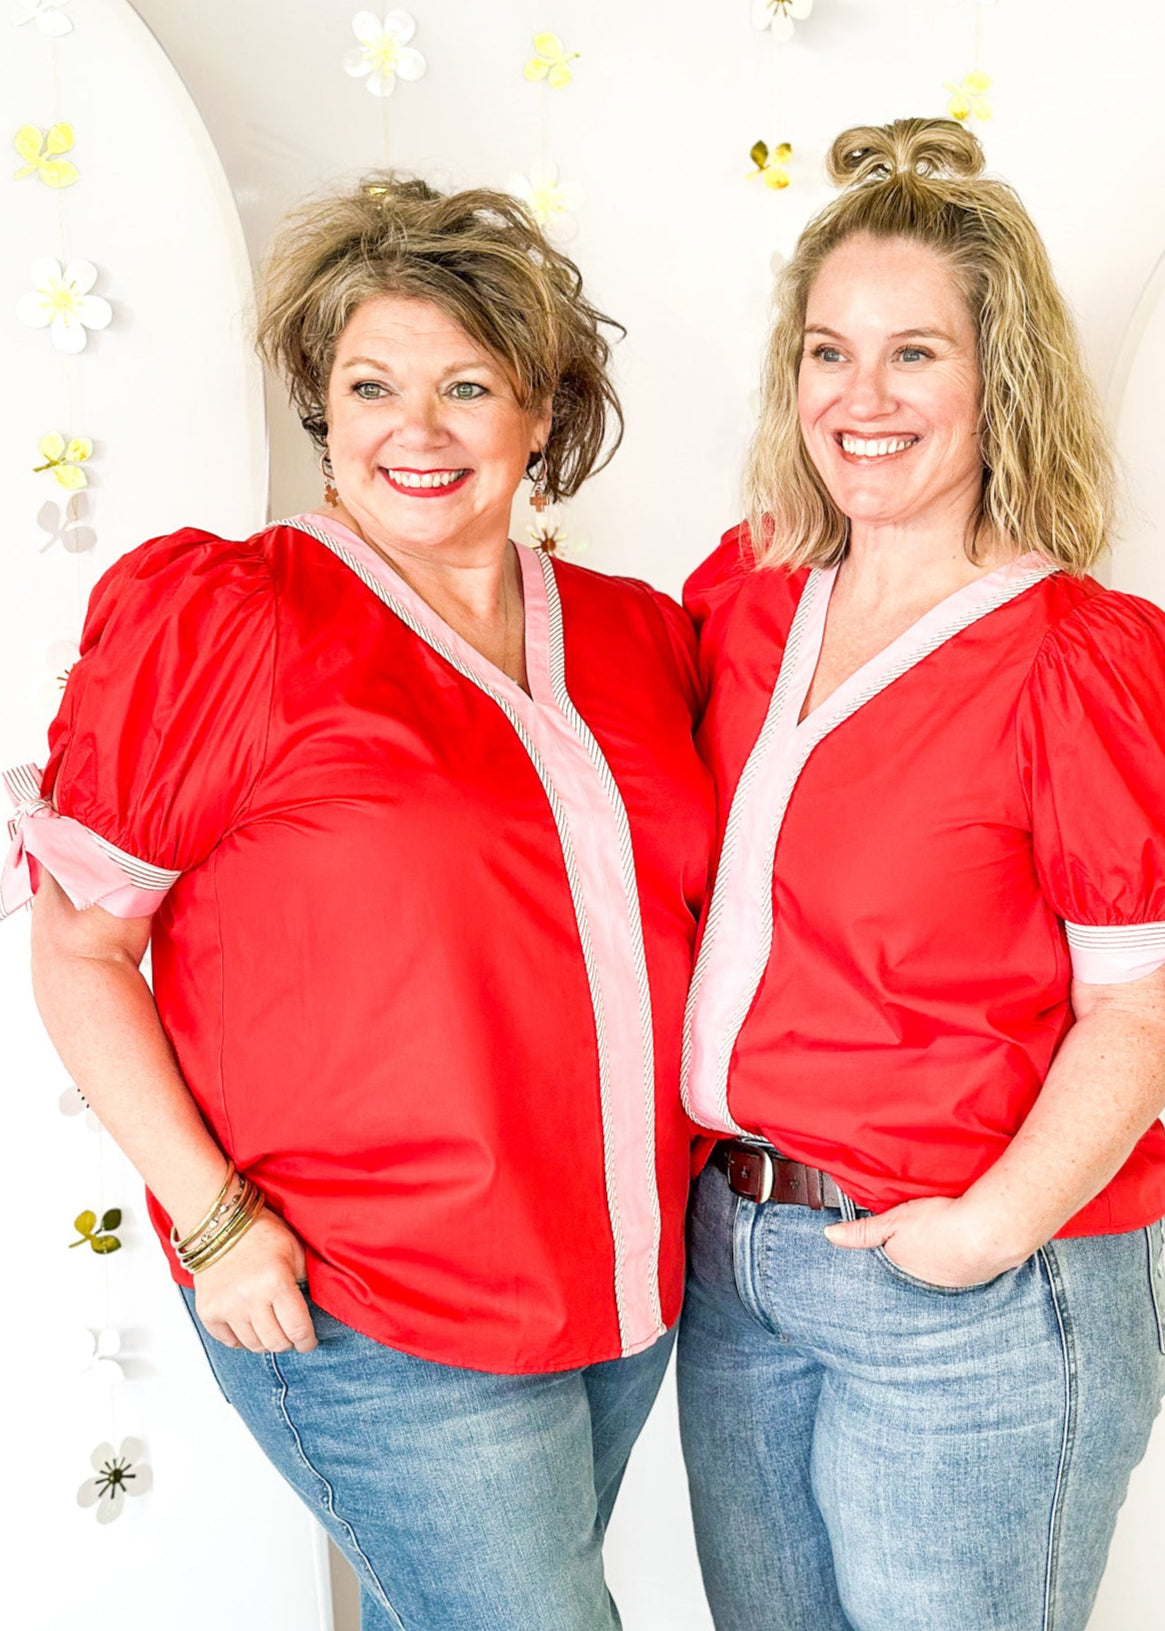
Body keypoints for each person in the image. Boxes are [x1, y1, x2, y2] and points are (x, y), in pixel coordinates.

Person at [2, 176, 713, 1630]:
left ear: (542, 412)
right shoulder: (237, 618)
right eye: (369, 384)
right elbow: (83, 942)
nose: (417, 428)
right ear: (322, 407)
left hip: (622, 1280)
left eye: (467, 385)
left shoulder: (644, 638)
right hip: (361, 1295)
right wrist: (212, 1223)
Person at [676, 117, 1165, 1631]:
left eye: (912, 355)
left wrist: (985, 1231)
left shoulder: (1075, 658)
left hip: (967, 1283)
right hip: (739, 1261)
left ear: (993, 374)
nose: (859, 399)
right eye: (828, 353)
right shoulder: (746, 595)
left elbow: (1139, 1007)